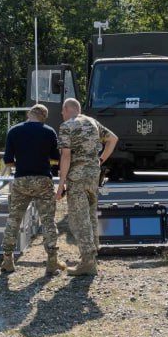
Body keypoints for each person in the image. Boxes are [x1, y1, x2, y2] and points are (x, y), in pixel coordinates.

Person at [55, 97, 117, 276]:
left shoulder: (67, 126)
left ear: (67, 109)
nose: (62, 114)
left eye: (62, 111)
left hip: (77, 178)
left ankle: (87, 262)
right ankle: (92, 254)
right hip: (93, 176)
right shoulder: (93, 122)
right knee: (90, 215)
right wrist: (100, 160)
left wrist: (61, 184)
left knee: (78, 218)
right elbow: (113, 139)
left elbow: (66, 156)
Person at [0, 104, 63, 275]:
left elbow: (8, 161)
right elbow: (56, 158)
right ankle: (52, 261)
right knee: (48, 220)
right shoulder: (49, 132)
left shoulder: (14, 131)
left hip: (21, 180)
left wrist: (22, 163)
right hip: (43, 180)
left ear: (29, 114)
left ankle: (7, 259)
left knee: (14, 219)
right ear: (44, 117)